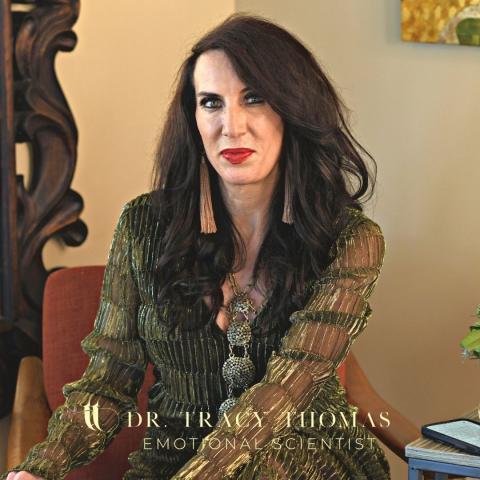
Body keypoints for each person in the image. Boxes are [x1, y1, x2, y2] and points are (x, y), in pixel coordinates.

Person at [2, 13, 390, 480]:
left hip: (307, 461)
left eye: (254, 98)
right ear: (193, 119)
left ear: (293, 107)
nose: (232, 126)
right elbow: (107, 383)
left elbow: (286, 391)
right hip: (172, 464)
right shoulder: (143, 225)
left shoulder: (351, 240)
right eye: (211, 103)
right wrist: (40, 470)